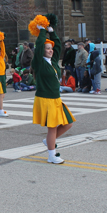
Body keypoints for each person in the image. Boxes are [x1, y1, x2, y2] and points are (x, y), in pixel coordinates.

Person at [31, 24, 76, 164]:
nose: (50, 51)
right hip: (46, 99)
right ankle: (52, 155)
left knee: (68, 123)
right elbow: (39, 46)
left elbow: (58, 47)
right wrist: (42, 31)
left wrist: (52, 32)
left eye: (50, 49)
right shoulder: (39, 62)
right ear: (42, 51)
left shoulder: (54, 62)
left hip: (56, 99)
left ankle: (48, 142)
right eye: (47, 49)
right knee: (52, 128)